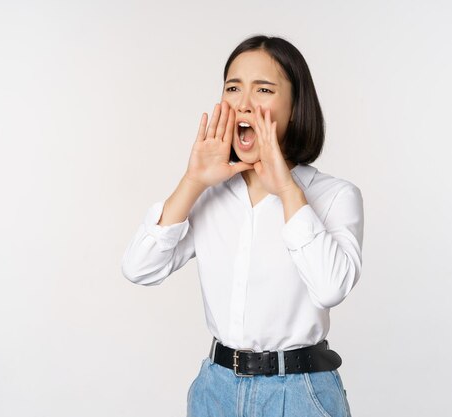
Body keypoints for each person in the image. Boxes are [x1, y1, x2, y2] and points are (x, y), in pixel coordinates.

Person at [121, 35, 364, 417]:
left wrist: (286, 188)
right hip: (216, 389)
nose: (244, 103)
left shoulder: (334, 195)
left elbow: (331, 287)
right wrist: (193, 181)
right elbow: (139, 268)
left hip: (300, 393)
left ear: (295, 105)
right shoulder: (210, 194)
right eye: (233, 87)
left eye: (264, 89)